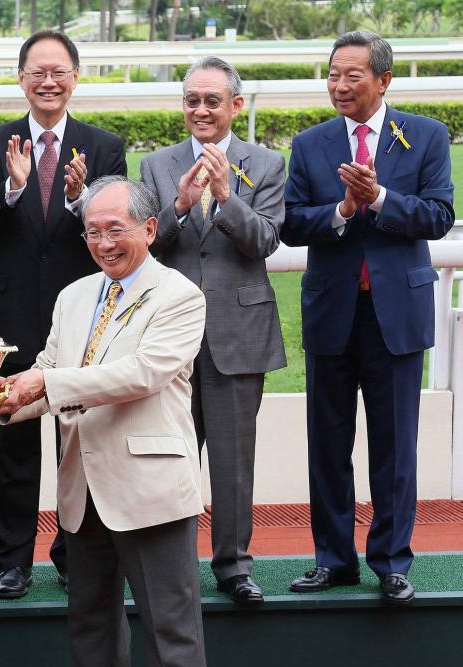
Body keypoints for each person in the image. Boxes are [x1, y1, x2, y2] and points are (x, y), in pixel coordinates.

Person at [0, 176, 207, 666]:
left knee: (172, 632)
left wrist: (44, 386)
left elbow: (142, 374)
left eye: (116, 229)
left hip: (150, 489)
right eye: (92, 232)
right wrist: (3, 400)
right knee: (90, 628)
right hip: (82, 488)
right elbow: (49, 367)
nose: (104, 243)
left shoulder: (179, 295)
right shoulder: (74, 295)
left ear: (150, 229)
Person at [282, 31, 454, 605]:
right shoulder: (309, 145)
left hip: (396, 314)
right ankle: (334, 560)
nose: (340, 85)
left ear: (383, 80)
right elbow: (291, 226)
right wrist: (341, 208)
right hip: (332, 310)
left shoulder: (425, 136)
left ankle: (392, 561)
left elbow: (438, 214)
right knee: (327, 444)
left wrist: (379, 198)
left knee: (395, 445)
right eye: (333, 74)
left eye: (353, 75)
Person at [0, 29, 126, 598]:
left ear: (75, 78)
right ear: (21, 78)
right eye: (38, 72)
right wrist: (11, 190)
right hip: (9, 314)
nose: (49, 82)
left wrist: (83, 202)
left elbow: (117, 229)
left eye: (59, 72)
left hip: (83, 311)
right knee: (9, 434)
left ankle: (74, 552)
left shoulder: (102, 147)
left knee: (78, 435)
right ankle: (10, 560)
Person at [140, 56, 286, 605]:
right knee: (167, 459)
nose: (200, 110)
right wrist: (177, 205)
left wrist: (226, 196)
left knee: (232, 460)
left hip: (238, 331)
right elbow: (144, 246)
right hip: (168, 337)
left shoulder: (266, 164)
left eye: (212, 100)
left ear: (236, 106)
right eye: (191, 100)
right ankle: (167, 566)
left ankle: (234, 566)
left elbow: (267, 241)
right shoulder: (156, 165)